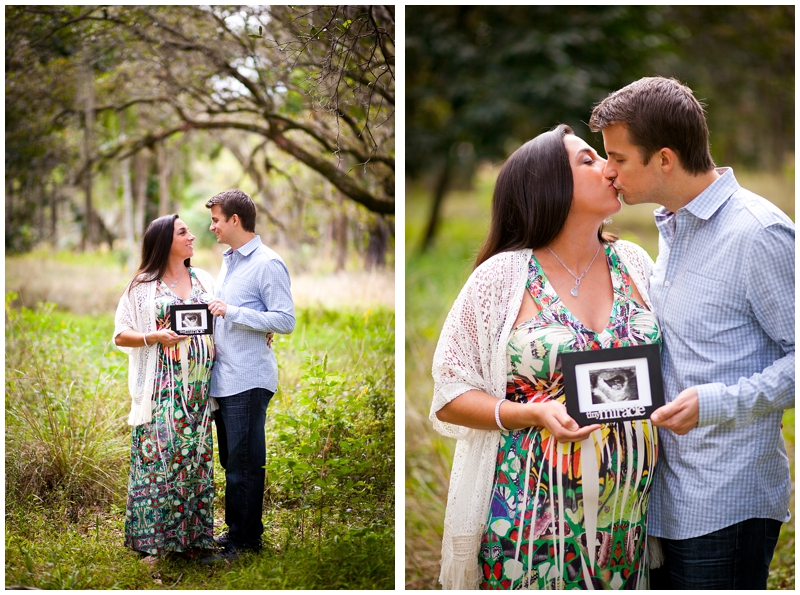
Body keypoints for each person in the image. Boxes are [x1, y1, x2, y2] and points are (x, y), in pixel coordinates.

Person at [430, 124, 662, 589]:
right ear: (549, 184)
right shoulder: (502, 277)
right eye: (589, 160)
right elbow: (449, 394)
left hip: (627, 520)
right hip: (532, 517)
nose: (609, 168)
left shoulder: (635, 262)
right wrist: (532, 413)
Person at [589, 76, 794, 590]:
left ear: (663, 159)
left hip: (725, 503)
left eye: (618, 158)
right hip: (663, 499)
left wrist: (717, 401)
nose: (608, 172)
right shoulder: (673, 224)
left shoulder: (757, 233)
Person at [113, 214, 218, 563]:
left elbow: (224, 319)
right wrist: (153, 336)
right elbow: (120, 334)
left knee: (195, 460)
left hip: (200, 391)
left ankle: (192, 541)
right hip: (161, 386)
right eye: (183, 231)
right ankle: (153, 546)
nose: (191, 236)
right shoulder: (143, 286)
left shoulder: (203, 278)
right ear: (164, 242)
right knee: (159, 459)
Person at [199, 189, 296, 564]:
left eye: (217, 220)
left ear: (234, 221)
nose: (212, 227)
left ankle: (245, 546)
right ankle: (237, 532)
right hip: (225, 377)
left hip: (248, 379)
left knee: (244, 464)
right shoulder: (230, 261)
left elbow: (285, 320)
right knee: (232, 462)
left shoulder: (268, 264)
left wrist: (234, 311)